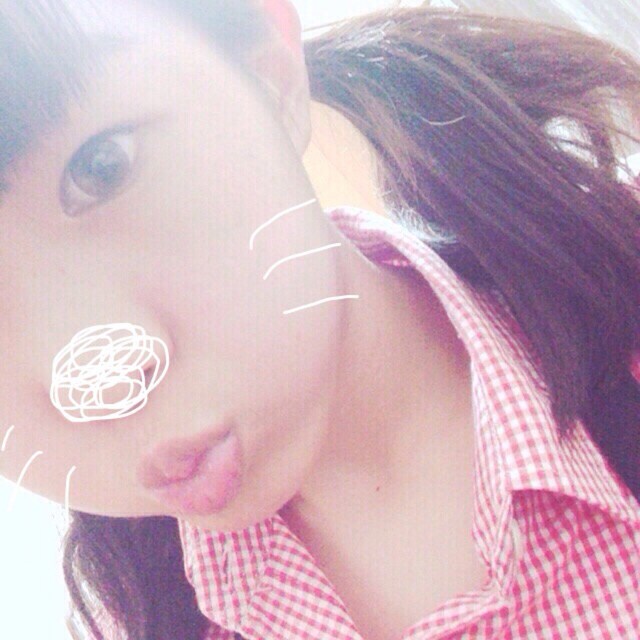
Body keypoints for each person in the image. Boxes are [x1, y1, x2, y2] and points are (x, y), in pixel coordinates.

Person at [0, 1, 638, 639]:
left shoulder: (617, 308)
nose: (105, 386)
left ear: (268, 77)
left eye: (101, 168)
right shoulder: (139, 618)